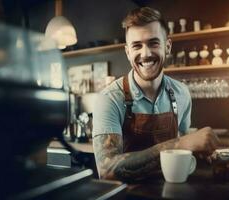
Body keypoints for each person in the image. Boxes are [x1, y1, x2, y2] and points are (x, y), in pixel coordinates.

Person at [92, 7, 220, 181]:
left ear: (167, 46)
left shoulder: (181, 93)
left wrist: (200, 151)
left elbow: (185, 151)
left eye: (153, 43)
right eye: (137, 46)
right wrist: (180, 144)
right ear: (128, 52)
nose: (145, 54)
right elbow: (107, 170)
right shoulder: (110, 99)